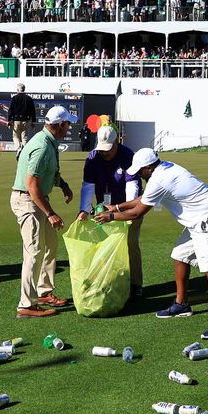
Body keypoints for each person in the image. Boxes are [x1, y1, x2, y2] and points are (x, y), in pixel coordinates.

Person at [95, 148, 208, 340]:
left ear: (149, 168)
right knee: (179, 256)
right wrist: (118, 207)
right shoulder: (167, 167)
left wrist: (110, 216)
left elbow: (137, 213)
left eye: (140, 171)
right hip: (200, 219)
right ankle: (182, 304)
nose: (139, 174)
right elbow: (144, 199)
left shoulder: (159, 179)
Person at [11, 105, 75, 319]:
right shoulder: (42, 146)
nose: (69, 128)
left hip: (36, 200)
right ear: (58, 125)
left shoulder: (49, 141)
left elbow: (51, 172)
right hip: (28, 201)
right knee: (35, 251)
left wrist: (63, 184)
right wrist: (50, 213)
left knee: (50, 246)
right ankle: (26, 305)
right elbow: (32, 185)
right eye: (67, 124)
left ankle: (44, 292)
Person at [79, 125, 144, 297]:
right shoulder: (93, 157)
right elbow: (88, 185)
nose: (104, 153)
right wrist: (84, 209)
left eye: (108, 149)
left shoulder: (128, 155)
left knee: (130, 244)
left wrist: (127, 212)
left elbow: (133, 185)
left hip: (128, 206)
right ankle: (109, 282)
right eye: (102, 149)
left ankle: (135, 284)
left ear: (117, 142)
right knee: (103, 246)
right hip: (103, 210)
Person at [8, 83, 37, 155]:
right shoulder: (29, 98)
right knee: (25, 137)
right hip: (26, 120)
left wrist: (9, 120)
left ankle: (18, 148)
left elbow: (10, 110)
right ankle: (24, 152)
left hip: (16, 120)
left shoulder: (14, 98)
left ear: (17, 89)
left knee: (15, 136)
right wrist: (33, 121)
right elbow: (33, 110)